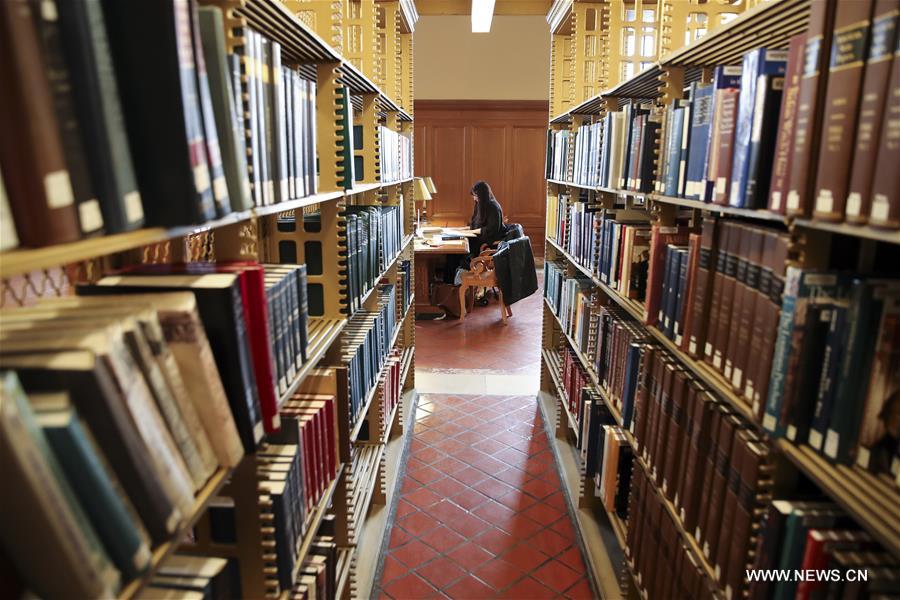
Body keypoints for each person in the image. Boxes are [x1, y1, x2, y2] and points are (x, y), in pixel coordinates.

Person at [442, 180, 508, 284]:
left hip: (487, 243)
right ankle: (449, 281)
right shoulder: (480, 205)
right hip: (478, 238)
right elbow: (474, 225)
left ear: (482, 195)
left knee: (455, 253)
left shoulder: (493, 207)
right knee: (452, 253)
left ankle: (451, 282)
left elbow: (491, 230)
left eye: (476, 196)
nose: (474, 198)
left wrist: (471, 231)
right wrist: (458, 230)